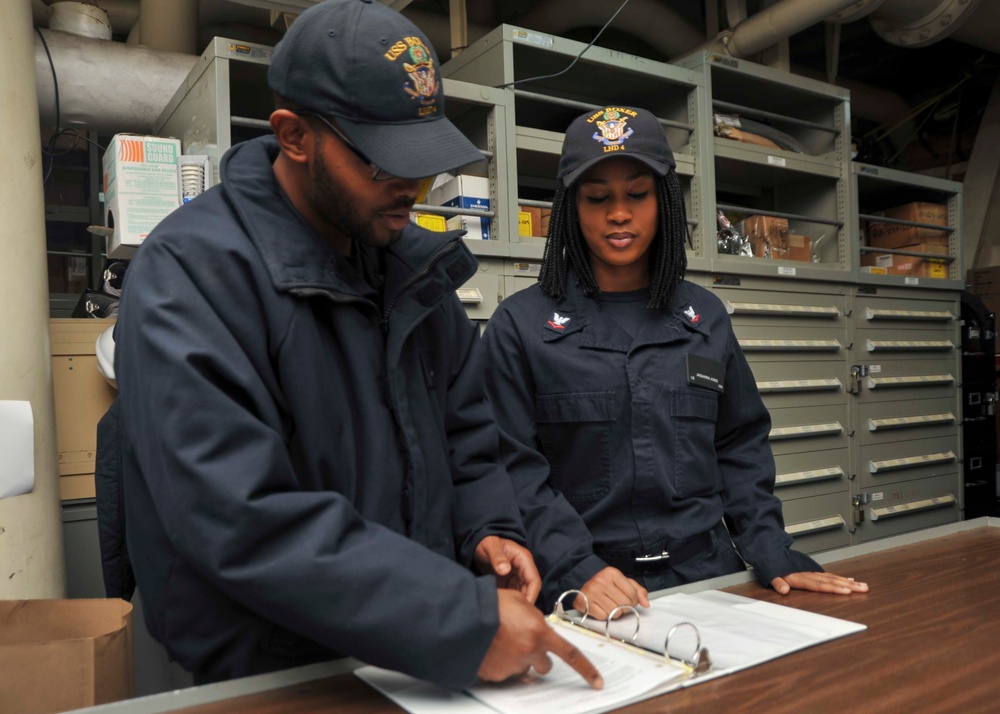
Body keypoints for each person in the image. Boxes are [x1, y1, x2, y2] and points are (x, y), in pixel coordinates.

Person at [111, 0, 601, 691]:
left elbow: (466, 436)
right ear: (295, 136)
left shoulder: (410, 269)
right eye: (382, 163)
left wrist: (488, 529)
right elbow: (240, 516)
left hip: (412, 647)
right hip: (272, 668)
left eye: (423, 161)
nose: (414, 188)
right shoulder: (191, 274)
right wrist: (455, 618)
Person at [482, 106, 869, 619]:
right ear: (571, 207)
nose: (619, 214)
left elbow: (740, 445)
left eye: (637, 195)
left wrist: (768, 547)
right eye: (597, 198)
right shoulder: (521, 325)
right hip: (585, 588)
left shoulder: (705, 318)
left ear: (663, 200)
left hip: (707, 576)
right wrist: (576, 567)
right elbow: (512, 468)